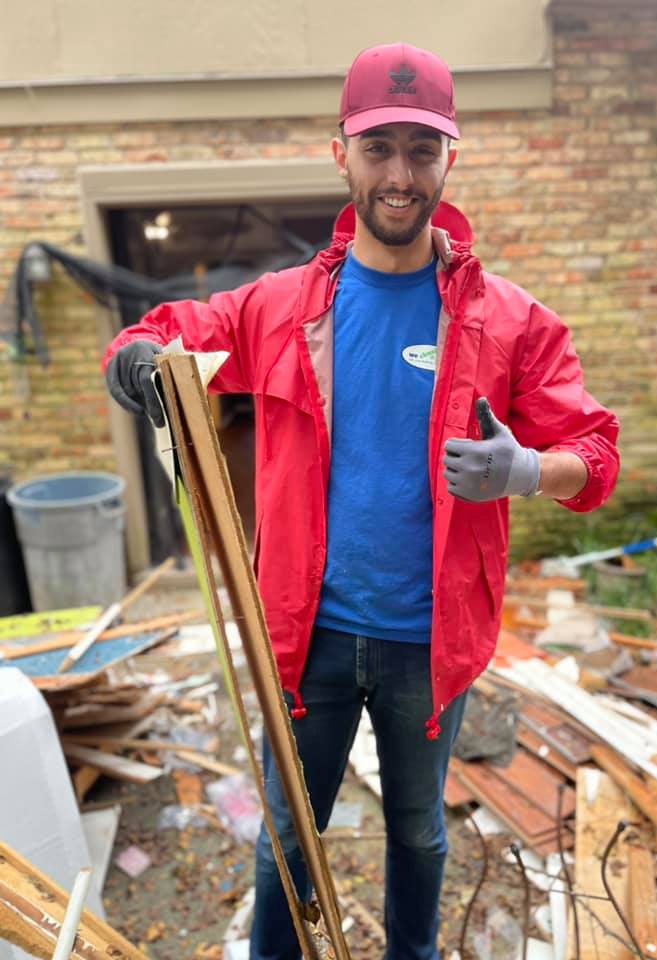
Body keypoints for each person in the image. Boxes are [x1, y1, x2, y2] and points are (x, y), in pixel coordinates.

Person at [104, 42, 620, 960]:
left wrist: (527, 473)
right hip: (311, 637)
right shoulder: (280, 308)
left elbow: (597, 452)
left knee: (419, 832)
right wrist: (140, 364)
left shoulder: (505, 319)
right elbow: (157, 334)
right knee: (289, 832)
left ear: (449, 159)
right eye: (379, 147)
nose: (399, 173)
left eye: (422, 150)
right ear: (339, 150)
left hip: (431, 638)